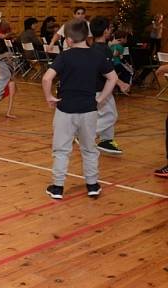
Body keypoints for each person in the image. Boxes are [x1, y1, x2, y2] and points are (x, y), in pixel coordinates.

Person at [42, 20, 117, 200]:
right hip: (89, 110)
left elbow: (46, 79)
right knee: (89, 149)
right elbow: (112, 78)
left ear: (68, 39)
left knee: (61, 150)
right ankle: (92, 185)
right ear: (87, 36)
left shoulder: (65, 56)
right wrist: (100, 98)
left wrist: (49, 97)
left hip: (65, 110)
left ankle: (58, 187)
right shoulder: (97, 55)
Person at [89, 17, 129, 155]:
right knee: (111, 116)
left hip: (98, 88)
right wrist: (121, 83)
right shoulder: (103, 50)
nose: (111, 30)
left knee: (107, 114)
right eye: (110, 28)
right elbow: (106, 72)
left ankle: (106, 141)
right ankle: (87, 135)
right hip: (101, 89)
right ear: (106, 31)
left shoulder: (94, 47)